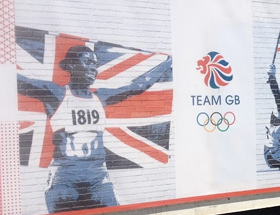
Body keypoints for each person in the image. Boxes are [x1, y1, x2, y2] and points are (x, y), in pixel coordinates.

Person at [17, 45, 172, 213]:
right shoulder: (57, 93)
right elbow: (20, 81)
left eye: (95, 64)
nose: (93, 68)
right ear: (71, 65)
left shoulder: (101, 96)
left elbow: (138, 86)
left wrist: (166, 63)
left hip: (97, 176)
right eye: (88, 62)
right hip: (65, 176)